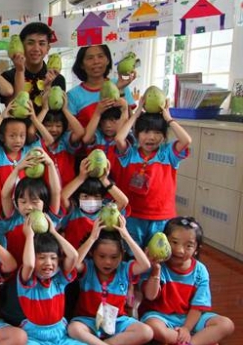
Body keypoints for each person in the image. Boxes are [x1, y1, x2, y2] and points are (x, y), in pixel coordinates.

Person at [17, 217, 110, 345]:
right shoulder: (27, 280)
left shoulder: (59, 279)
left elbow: (73, 256)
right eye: (41, 258)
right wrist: (29, 236)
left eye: (53, 258)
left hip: (60, 334)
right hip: (35, 337)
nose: (48, 263)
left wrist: (53, 232)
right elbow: (28, 264)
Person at [140, 217, 235, 345]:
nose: (179, 250)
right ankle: (202, 341)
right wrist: (155, 271)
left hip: (190, 317)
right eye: (174, 242)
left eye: (188, 245)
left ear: (197, 249)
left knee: (226, 324)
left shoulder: (200, 270)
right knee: (153, 329)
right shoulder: (157, 265)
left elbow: (198, 306)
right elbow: (150, 296)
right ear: (165, 241)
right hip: (160, 316)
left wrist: (186, 328)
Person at [68, 217, 158, 345]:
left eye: (114, 257)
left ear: (121, 255)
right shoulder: (88, 268)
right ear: (92, 254)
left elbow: (145, 264)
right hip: (88, 322)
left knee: (146, 332)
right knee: (74, 329)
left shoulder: (124, 269)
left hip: (117, 322)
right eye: (102, 256)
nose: (108, 262)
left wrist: (126, 235)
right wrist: (92, 238)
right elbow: (73, 263)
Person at [115, 97, 192, 248]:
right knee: (132, 254)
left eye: (157, 132)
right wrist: (136, 115)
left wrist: (169, 119)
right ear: (136, 135)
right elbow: (119, 138)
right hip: (133, 215)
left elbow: (186, 140)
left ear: (164, 136)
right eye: (145, 132)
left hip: (162, 217)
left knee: (158, 255)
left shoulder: (168, 153)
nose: (151, 137)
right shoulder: (130, 154)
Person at [0, 150, 62, 326]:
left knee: (38, 321)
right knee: (16, 321)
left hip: (43, 284)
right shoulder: (12, 219)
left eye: (34, 201)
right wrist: (18, 168)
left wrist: (49, 164)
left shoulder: (49, 219)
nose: (28, 206)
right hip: (16, 282)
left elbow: (56, 192)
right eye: (23, 201)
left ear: (44, 203)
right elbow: (5, 194)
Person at [0, 101, 51, 241]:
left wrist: (34, 119)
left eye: (22, 135)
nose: (18, 140)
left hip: (24, 214)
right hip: (0, 216)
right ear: (2, 138)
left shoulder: (29, 152)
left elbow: (48, 140)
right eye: (12, 136)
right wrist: (1, 117)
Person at [59, 157, 129, 249]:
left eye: (96, 197)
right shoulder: (73, 212)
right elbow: (62, 197)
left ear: (103, 198)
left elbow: (123, 202)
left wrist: (105, 180)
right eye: (85, 197)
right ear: (78, 197)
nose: (91, 200)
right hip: (76, 259)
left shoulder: (106, 212)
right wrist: (81, 178)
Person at [67, 44, 136, 129]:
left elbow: (130, 124)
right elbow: (70, 131)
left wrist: (120, 90)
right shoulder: (73, 95)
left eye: (100, 56)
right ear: (81, 64)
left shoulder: (119, 84)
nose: (96, 61)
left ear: (107, 60)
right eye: (90, 58)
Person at [1, 22, 65, 109]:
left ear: (48, 49)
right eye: (30, 43)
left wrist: (48, 87)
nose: (36, 49)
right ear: (22, 46)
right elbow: (12, 110)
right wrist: (20, 72)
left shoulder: (58, 79)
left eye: (41, 44)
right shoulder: (8, 76)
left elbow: (54, 113)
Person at [36, 90, 85, 187]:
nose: (54, 129)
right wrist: (44, 109)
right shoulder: (38, 143)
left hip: (67, 191)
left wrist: (65, 110)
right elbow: (33, 130)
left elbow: (80, 132)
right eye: (48, 126)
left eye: (58, 126)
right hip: (45, 192)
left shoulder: (65, 141)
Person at [81, 98, 130, 181]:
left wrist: (125, 109)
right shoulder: (97, 136)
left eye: (112, 120)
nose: (108, 125)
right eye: (104, 121)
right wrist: (97, 113)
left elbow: (120, 136)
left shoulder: (123, 139)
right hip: (95, 184)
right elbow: (86, 139)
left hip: (117, 185)